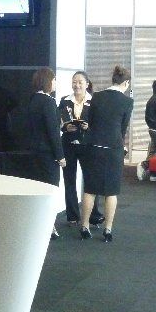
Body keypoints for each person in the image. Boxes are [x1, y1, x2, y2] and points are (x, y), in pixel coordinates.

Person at [79, 65, 133, 243]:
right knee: (111, 192)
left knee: (90, 189)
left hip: (94, 147)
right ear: (126, 82)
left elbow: (91, 122)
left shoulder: (97, 96)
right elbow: (123, 129)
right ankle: (107, 229)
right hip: (113, 149)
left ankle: (84, 226)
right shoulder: (127, 102)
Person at [58, 71, 103, 227]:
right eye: (74, 82)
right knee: (69, 180)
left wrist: (88, 127)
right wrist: (65, 127)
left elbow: (99, 124)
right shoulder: (64, 100)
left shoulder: (94, 101)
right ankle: (72, 215)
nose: (76, 85)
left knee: (91, 180)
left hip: (87, 145)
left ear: (87, 84)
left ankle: (93, 215)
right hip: (68, 144)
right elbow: (59, 121)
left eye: (80, 82)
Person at [27, 67, 66, 240]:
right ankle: (49, 227)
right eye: (54, 79)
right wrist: (60, 156)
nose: (55, 82)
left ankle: (39, 225)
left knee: (39, 189)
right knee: (51, 190)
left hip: (35, 152)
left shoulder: (33, 100)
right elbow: (53, 132)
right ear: (47, 81)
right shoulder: (48, 102)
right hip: (48, 154)